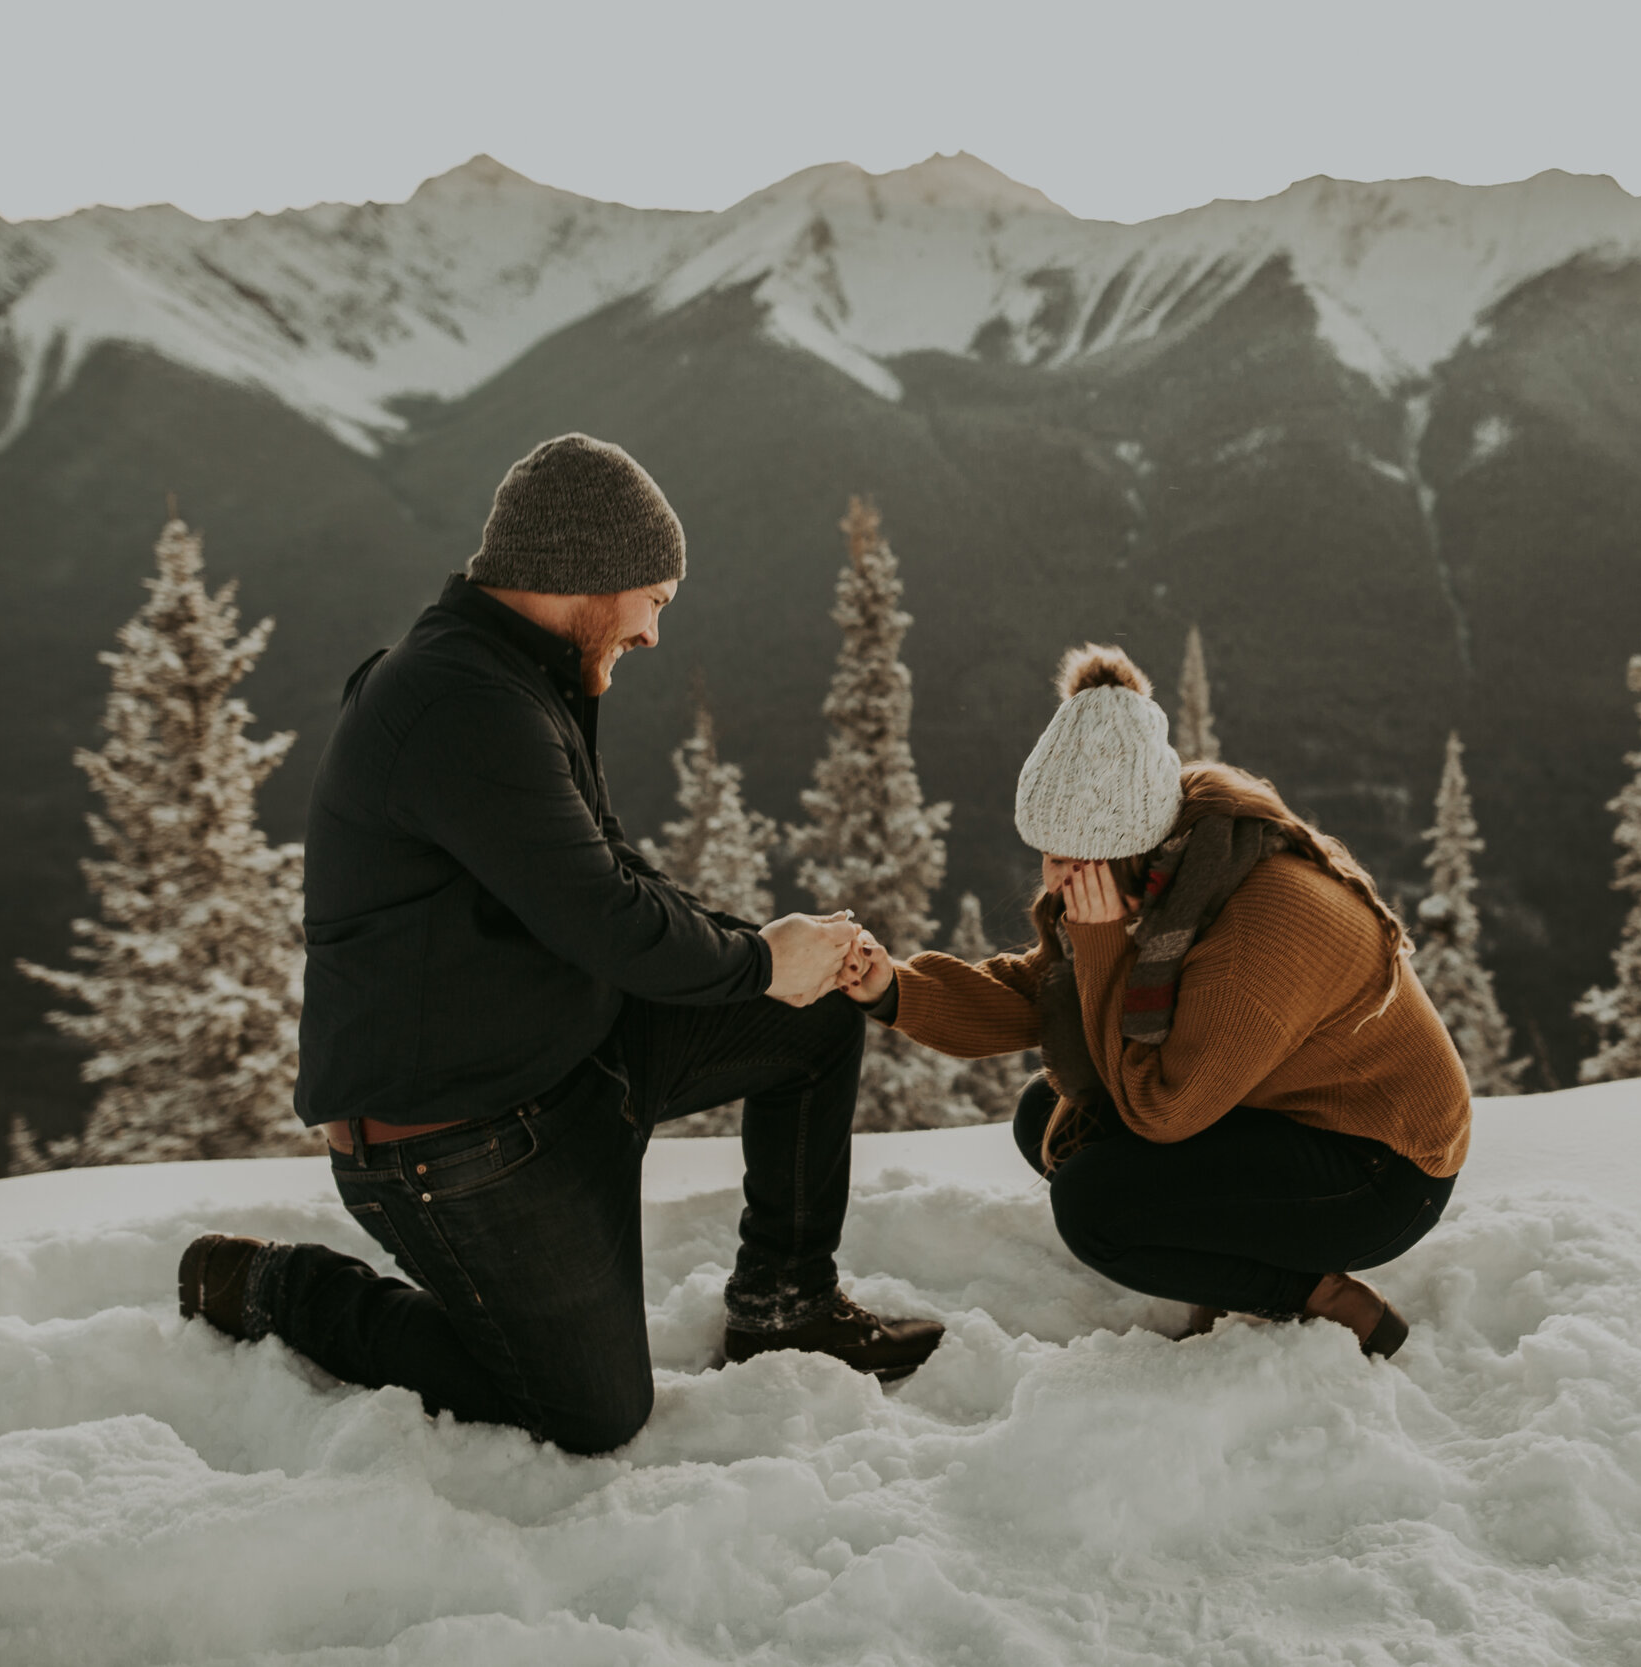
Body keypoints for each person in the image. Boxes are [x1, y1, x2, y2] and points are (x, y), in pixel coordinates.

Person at [177, 434, 942, 1453]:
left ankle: (783, 1308)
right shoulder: (459, 703)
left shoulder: (520, 677)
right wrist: (761, 960)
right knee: (588, 1411)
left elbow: (615, 875)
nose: (655, 632)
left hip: (559, 1057)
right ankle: (289, 1288)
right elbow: (609, 919)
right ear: (587, 575)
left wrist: (771, 955)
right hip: (452, 1139)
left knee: (812, 1016)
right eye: (655, 598)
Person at [843, 645, 1470, 1357]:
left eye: (1064, 857)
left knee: (1096, 1206)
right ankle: (1225, 1248)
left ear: (1117, 844)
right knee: (1046, 1118)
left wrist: (1104, 940)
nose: (1049, 877)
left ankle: (1318, 1296)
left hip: (1381, 1169)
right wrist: (894, 988)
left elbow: (1162, 1112)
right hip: (1281, 1113)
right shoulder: (1167, 863)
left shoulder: (1251, 924)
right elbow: (1052, 990)